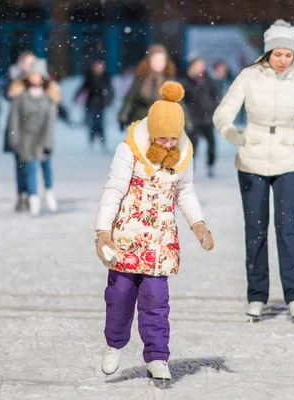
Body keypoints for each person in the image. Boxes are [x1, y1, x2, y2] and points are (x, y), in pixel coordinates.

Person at [94, 81, 214, 381]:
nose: (168, 144)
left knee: (157, 303)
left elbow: (185, 192)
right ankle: (114, 343)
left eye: (173, 139)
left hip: (161, 243)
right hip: (126, 241)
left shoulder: (183, 155)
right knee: (120, 295)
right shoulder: (129, 151)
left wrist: (198, 224)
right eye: (162, 138)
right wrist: (102, 233)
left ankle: (158, 356)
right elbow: (112, 191)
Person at [213, 19, 294, 322]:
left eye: (288, 55)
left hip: (288, 160)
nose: (283, 60)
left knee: (287, 227)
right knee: (255, 230)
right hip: (251, 159)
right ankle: (257, 295)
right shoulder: (249, 76)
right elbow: (222, 113)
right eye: (278, 54)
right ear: (268, 52)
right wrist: (230, 132)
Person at [5, 52, 62, 213]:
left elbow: (50, 122)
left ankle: (48, 193)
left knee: (45, 166)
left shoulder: (49, 96)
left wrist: (48, 142)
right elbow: (14, 118)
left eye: (38, 75)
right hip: (26, 138)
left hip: (42, 138)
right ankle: (31, 197)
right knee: (27, 168)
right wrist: (14, 137)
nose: (35, 78)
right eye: (32, 74)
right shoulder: (20, 94)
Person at [118, 44, 177, 131]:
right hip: (141, 122)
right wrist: (123, 116)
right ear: (149, 61)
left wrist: (186, 124)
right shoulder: (141, 79)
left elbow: (179, 103)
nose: (158, 63)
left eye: (161, 60)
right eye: (155, 60)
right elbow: (130, 99)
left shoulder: (169, 81)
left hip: (163, 125)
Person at [182, 58, 219, 177]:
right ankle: (190, 167)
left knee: (212, 144)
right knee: (193, 145)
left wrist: (213, 108)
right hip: (194, 119)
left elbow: (216, 96)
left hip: (207, 118)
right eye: (197, 66)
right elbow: (183, 100)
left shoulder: (208, 80)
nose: (199, 68)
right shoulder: (186, 81)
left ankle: (210, 166)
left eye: (201, 65)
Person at [75, 60, 114, 150]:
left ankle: (102, 142)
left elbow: (110, 90)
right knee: (92, 123)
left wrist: (109, 100)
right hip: (91, 104)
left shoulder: (106, 77)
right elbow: (83, 87)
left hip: (101, 104)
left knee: (100, 124)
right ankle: (91, 142)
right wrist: (76, 96)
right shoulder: (90, 77)